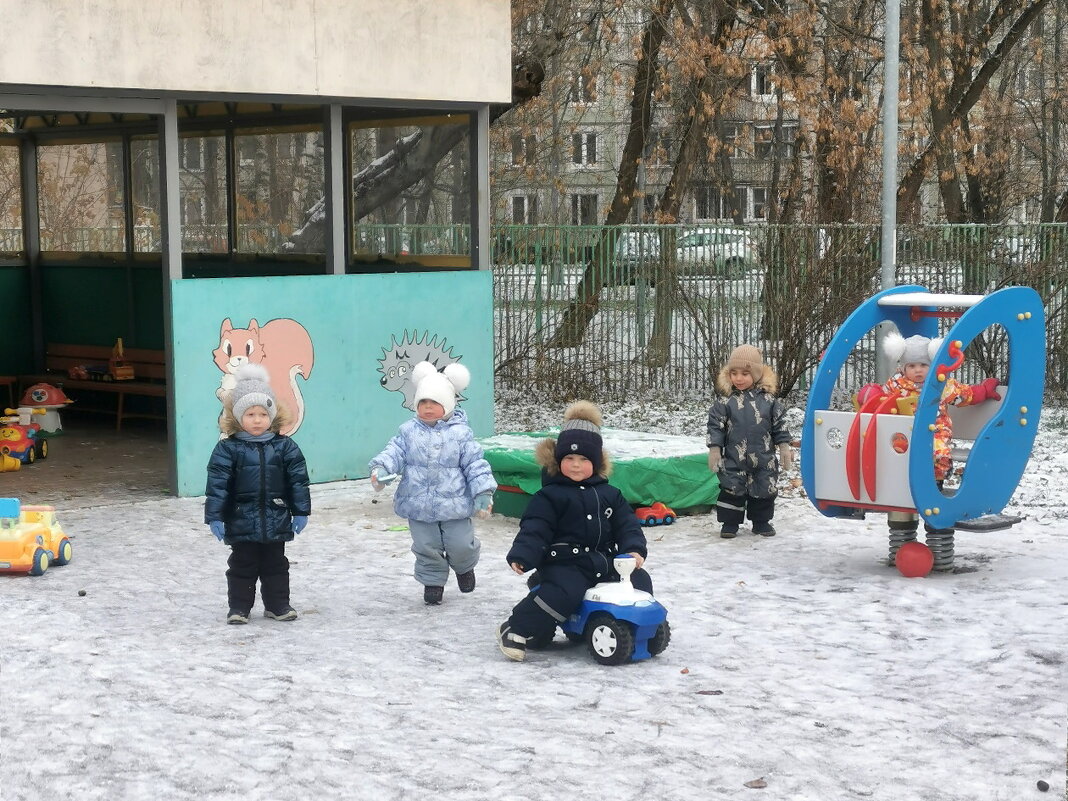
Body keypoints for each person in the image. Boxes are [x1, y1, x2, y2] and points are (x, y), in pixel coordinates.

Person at [496, 401, 651, 662]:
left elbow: (627, 524)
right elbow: (536, 527)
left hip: (605, 561)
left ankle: (638, 628)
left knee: (640, 581)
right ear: (558, 461)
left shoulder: (611, 495)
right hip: (565, 565)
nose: (576, 465)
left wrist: (633, 549)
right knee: (565, 592)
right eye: (569, 458)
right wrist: (524, 554)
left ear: (597, 463)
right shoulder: (550, 496)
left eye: (583, 459)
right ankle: (517, 627)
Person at [369, 361, 497, 605]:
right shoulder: (408, 432)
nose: (428, 408)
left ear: (447, 405)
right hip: (418, 503)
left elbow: (475, 464)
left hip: (455, 504)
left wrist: (483, 492)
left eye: (434, 403)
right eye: (423, 402)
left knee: (460, 544)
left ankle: (464, 567)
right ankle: (433, 582)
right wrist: (382, 468)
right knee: (426, 546)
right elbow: (393, 452)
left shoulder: (461, 434)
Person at [879, 332, 1001, 568]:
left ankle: (934, 484)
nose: (917, 370)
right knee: (895, 448)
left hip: (935, 432)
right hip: (904, 435)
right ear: (903, 367)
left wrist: (984, 390)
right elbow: (881, 398)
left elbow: (965, 395)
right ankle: (903, 483)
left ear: (932, 364)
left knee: (936, 451)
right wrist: (870, 395)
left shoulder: (941, 383)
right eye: (911, 365)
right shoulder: (896, 384)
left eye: (923, 365)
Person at [204, 364, 311, 624]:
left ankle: (278, 605)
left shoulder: (285, 447)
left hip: (275, 517)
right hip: (240, 518)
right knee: (242, 566)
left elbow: (297, 480)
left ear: (271, 416)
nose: (257, 420)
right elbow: (217, 485)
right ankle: (239, 608)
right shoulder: (227, 450)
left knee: (276, 565)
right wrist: (215, 516)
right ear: (238, 417)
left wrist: (300, 510)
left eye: (263, 414)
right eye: (250, 414)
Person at [707, 344, 793, 538]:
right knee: (731, 488)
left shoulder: (769, 401)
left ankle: (761, 522)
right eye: (734, 373)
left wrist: (784, 447)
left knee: (764, 489)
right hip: (733, 458)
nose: (738, 378)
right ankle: (729, 523)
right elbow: (715, 426)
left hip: (763, 458)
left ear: (756, 374)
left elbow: (780, 425)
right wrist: (714, 448)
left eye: (745, 373)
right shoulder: (724, 402)